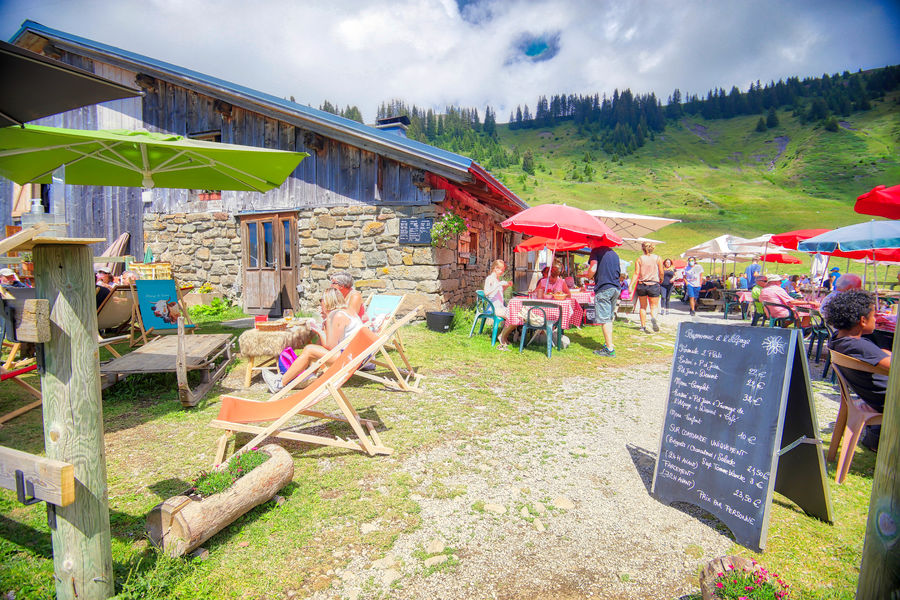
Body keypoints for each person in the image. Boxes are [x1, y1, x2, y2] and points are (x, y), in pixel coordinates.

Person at [262, 288, 363, 393]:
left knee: (309, 350)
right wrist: (324, 327)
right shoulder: (345, 312)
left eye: (321, 300)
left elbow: (331, 347)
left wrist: (319, 330)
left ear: (328, 301)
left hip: (350, 358)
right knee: (314, 348)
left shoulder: (336, 315)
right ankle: (306, 377)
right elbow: (331, 343)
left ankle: (280, 383)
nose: (320, 304)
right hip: (357, 354)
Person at [826, 289, 890, 452]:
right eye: (874, 315)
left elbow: (884, 356)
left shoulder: (839, 340)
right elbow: (892, 365)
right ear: (863, 320)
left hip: (873, 397)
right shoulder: (859, 346)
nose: (876, 319)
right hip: (888, 401)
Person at [585, 244, 620, 357]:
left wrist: (588, 276)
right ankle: (609, 344)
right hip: (615, 288)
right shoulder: (614, 254)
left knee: (605, 319)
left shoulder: (596, 251)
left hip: (604, 288)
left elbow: (593, 268)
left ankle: (609, 349)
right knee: (609, 318)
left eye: (589, 241)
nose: (588, 244)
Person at [483, 259, 517, 351]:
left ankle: (503, 336)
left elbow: (499, 294)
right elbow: (486, 293)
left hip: (500, 307)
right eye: (502, 270)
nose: (503, 272)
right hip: (493, 308)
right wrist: (498, 285)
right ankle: (502, 337)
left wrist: (506, 286)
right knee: (513, 317)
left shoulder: (497, 279)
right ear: (495, 269)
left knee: (518, 316)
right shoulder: (489, 279)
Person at [631, 242, 663, 333]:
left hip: (642, 284)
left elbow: (636, 273)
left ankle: (643, 326)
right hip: (653, 284)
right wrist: (661, 279)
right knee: (654, 306)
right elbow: (661, 272)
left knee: (643, 306)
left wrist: (630, 285)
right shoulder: (658, 258)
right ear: (652, 248)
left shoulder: (639, 259)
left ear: (642, 249)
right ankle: (653, 318)